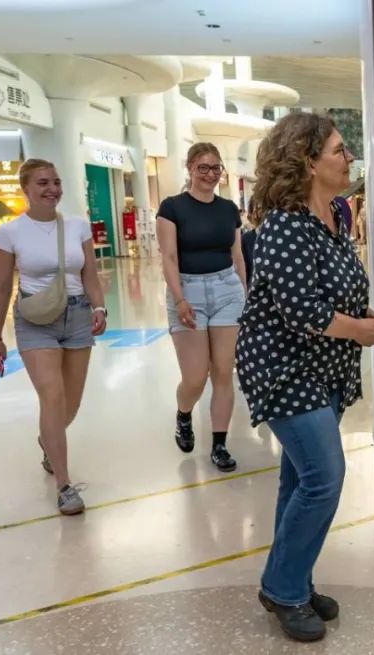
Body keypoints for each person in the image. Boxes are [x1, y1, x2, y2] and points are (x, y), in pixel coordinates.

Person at [237, 113, 374, 642]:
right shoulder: (284, 225)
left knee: (300, 480)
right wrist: (357, 331)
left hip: (324, 364)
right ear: (307, 162)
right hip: (284, 367)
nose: (348, 158)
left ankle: (292, 583)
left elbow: (333, 289)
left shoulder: (335, 215)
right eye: (338, 150)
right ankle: (283, 588)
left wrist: (362, 314)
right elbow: (302, 310)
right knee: (324, 478)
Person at [0, 158, 108, 516]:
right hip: (35, 319)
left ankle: (47, 440)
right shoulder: (10, 232)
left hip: (78, 316)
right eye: (42, 183)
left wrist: (100, 308)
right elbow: (2, 287)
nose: (52, 189)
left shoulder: (77, 227)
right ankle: (64, 485)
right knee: (52, 396)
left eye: (56, 182)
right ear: (25, 188)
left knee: (70, 404)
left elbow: (89, 274)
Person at [156, 143, 247, 473]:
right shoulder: (172, 207)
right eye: (203, 167)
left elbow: (237, 257)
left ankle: (220, 444)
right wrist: (179, 298)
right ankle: (184, 414)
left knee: (223, 371)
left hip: (227, 291)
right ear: (190, 168)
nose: (210, 174)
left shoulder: (229, 209)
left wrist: (245, 293)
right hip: (188, 291)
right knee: (195, 377)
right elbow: (169, 257)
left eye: (215, 168)